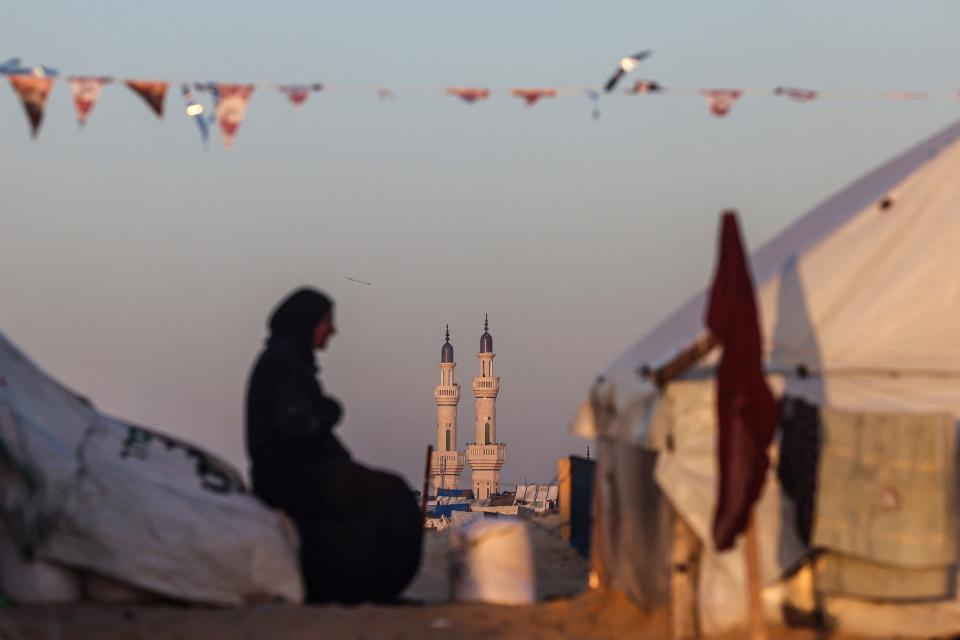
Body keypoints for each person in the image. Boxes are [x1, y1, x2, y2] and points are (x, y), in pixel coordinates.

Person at [245, 287, 422, 604]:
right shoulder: (283, 362)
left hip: (298, 473)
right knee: (391, 495)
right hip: (293, 477)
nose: (333, 331)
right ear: (308, 322)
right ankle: (368, 590)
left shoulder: (287, 359)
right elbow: (300, 423)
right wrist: (331, 409)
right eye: (327, 322)